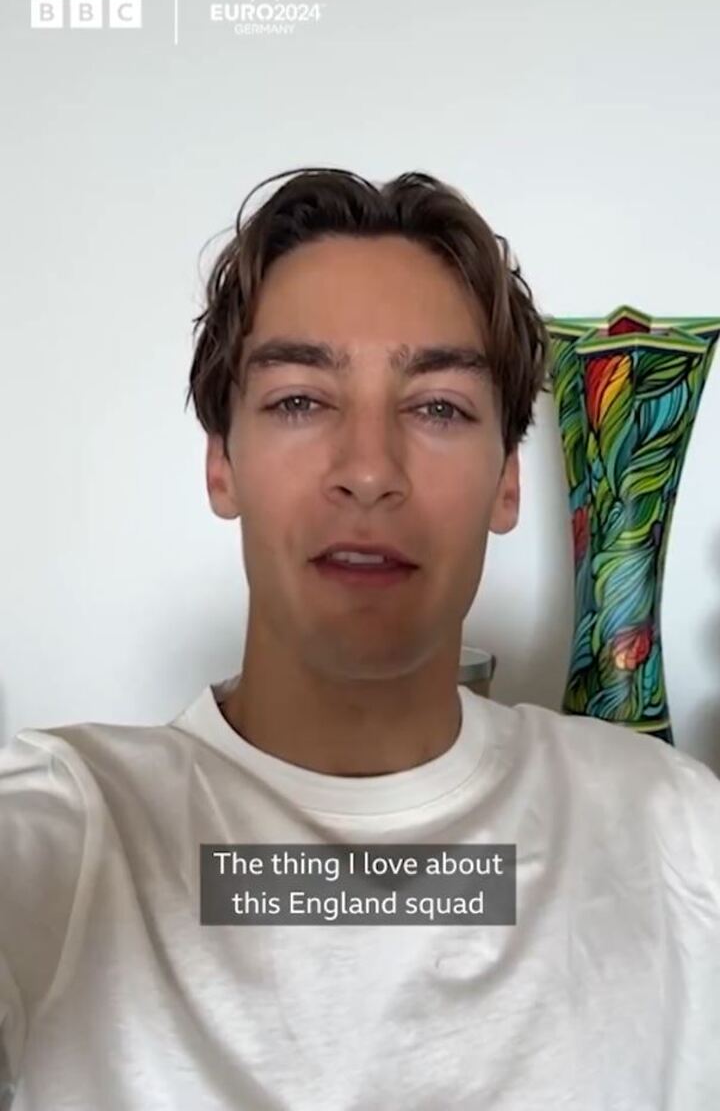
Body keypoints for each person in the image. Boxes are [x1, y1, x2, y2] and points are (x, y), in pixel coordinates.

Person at [1, 167, 719, 1111]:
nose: (371, 470)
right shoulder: (69, 826)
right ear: (222, 464)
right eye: (300, 400)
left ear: (508, 481)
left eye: (439, 407)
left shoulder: (673, 829)